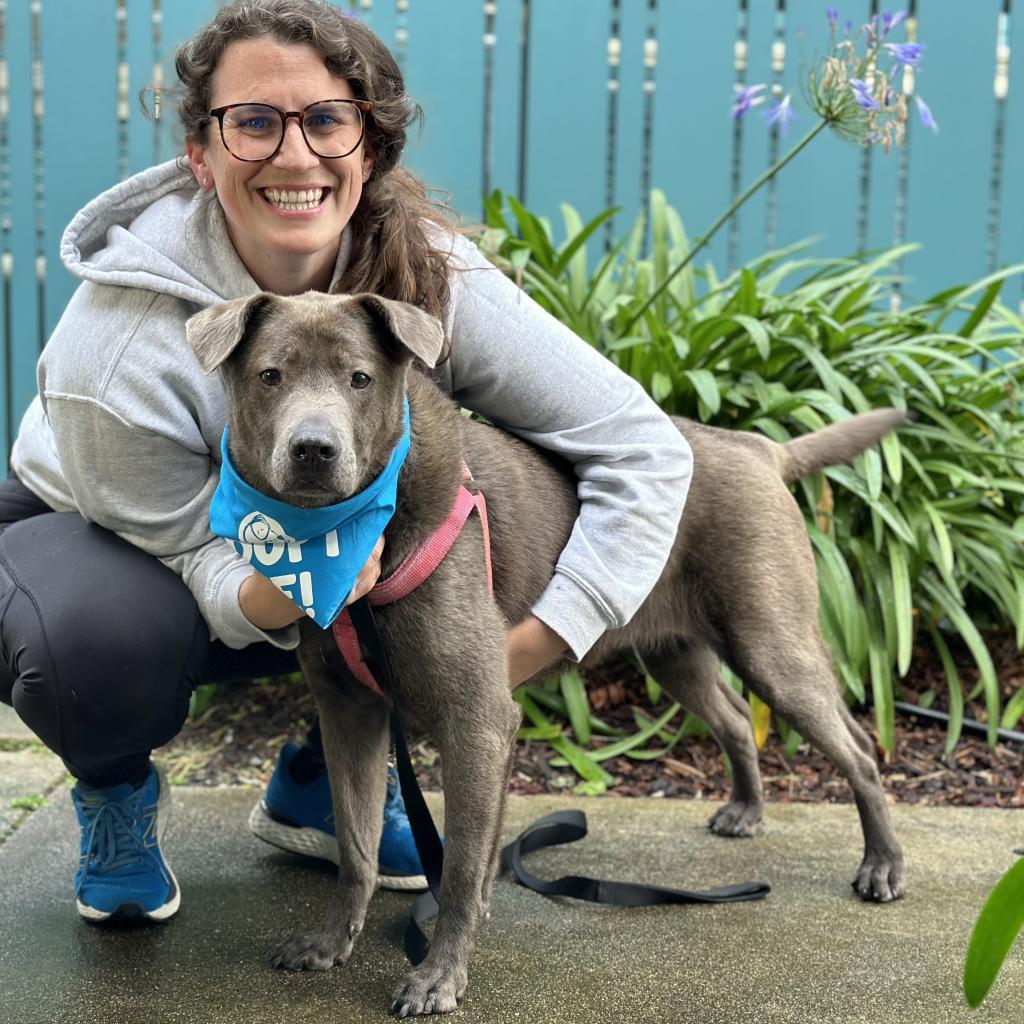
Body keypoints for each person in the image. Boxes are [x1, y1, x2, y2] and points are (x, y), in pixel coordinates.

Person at [0, 0, 692, 923]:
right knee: (97, 644)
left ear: (368, 149)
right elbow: (191, 552)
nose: (295, 155)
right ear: (201, 155)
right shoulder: (116, 356)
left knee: (418, 582)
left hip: (312, 524)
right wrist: (271, 592)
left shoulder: (427, 276)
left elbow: (641, 446)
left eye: (327, 120)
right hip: (102, 526)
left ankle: (320, 782)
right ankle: (116, 790)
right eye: (253, 122)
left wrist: (544, 636)